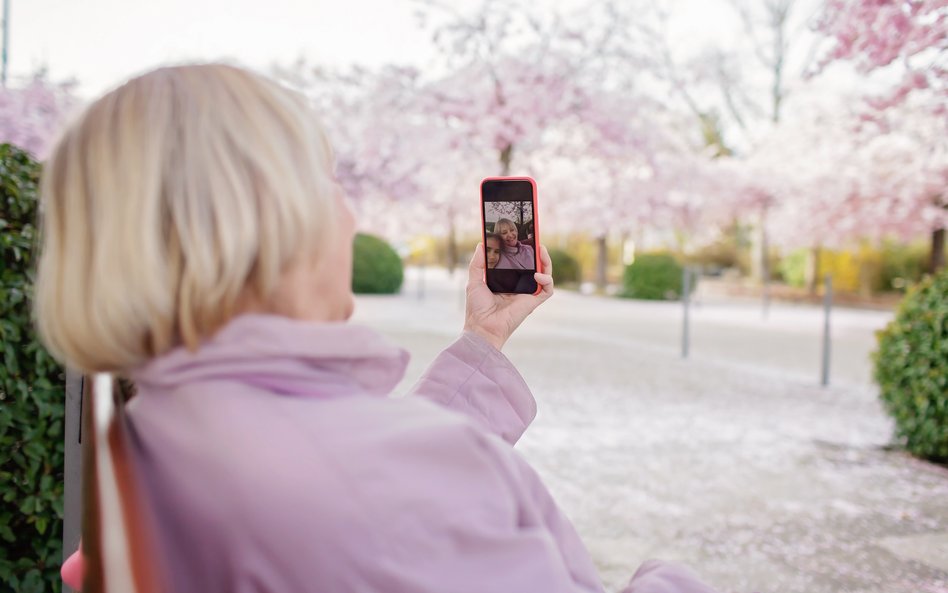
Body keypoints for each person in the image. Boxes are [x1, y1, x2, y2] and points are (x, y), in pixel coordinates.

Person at [39, 64, 718, 593]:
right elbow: (379, 498)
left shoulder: (151, 452)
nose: (350, 217)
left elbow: (364, 491)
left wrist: (482, 341)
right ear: (276, 221)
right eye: (330, 184)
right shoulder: (389, 482)